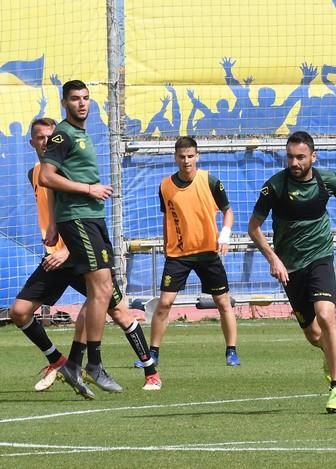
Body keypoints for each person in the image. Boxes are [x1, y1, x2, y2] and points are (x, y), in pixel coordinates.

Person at [12, 117, 161, 398]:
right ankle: (58, 362)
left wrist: (68, 249)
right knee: (19, 311)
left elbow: (78, 214)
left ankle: (150, 370)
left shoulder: (66, 170)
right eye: (40, 138)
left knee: (118, 311)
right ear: (32, 143)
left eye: (50, 137)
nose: (45, 142)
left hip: (78, 253)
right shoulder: (36, 173)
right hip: (55, 259)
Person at [247, 130, 336, 414]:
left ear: (313, 157)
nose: (294, 162)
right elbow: (253, 227)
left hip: (321, 258)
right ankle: (328, 357)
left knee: (326, 314)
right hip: (290, 267)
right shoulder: (275, 187)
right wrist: (274, 258)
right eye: (290, 157)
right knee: (313, 335)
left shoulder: (328, 180)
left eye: (300, 157)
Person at [38, 80, 122, 397]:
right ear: (64, 103)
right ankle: (94, 364)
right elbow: (47, 176)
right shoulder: (63, 134)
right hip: (78, 218)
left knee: (102, 290)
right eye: (75, 99)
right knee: (101, 289)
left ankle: (75, 362)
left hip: (91, 217)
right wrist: (89, 189)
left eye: (86, 98)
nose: (82, 104)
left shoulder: (82, 134)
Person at [136, 136, 239, 368]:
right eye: (182, 157)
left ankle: (231, 350)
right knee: (164, 303)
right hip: (178, 255)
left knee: (223, 302)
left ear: (197, 156)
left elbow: (228, 212)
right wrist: (165, 244)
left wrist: (224, 235)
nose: (186, 161)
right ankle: (153, 353)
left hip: (207, 253)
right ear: (175, 158)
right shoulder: (165, 186)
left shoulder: (210, 181)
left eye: (190, 156)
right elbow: (167, 217)